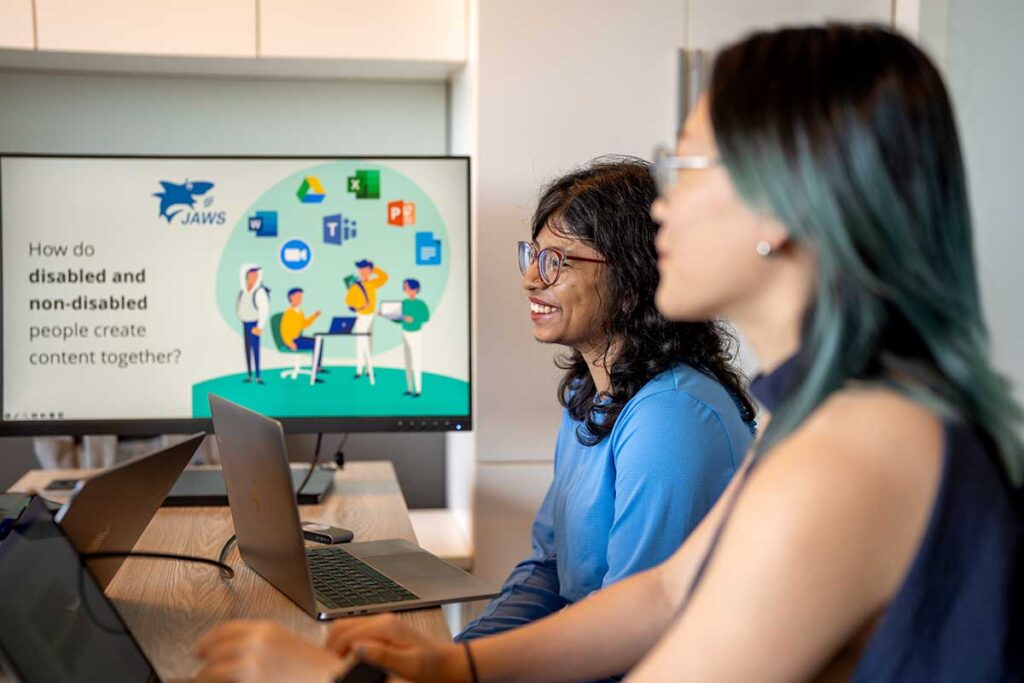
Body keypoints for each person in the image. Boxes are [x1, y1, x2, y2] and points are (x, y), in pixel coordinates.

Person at [193, 25, 1024, 682]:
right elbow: (664, 595)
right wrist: (454, 663)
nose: (664, 211)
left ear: (783, 200)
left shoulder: (853, 455)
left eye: (688, 166)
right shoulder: (823, 415)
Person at [194, 157, 761, 680]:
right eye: (531, 255)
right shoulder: (596, 395)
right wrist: (451, 658)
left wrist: (454, 673)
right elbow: (547, 568)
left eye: (556, 262)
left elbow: (632, 641)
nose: (530, 279)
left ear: (633, 280)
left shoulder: (673, 420)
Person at [345, 259, 389, 385]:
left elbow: (385, 277)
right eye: (361, 269)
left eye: (366, 270)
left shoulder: (373, 283)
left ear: (370, 271)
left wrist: (373, 268)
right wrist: (359, 307)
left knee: (369, 342)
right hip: (360, 316)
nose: (363, 272)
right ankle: (359, 370)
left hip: (371, 316)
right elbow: (348, 302)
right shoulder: (354, 286)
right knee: (360, 342)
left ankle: (368, 369)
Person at [393, 278, 430, 397]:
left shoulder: (420, 303)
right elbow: (398, 320)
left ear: (416, 289)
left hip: (416, 333)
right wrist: (386, 315)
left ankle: (418, 390)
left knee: (416, 362)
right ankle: (409, 388)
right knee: (407, 362)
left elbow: (425, 317)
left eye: (408, 287)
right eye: (405, 288)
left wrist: (414, 319)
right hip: (405, 333)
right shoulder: (403, 303)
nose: (406, 290)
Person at [235, 264, 269, 385]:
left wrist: (260, 326)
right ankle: (249, 375)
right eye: (250, 275)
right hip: (245, 323)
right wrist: (241, 317)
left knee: (256, 350)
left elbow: (264, 310)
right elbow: (239, 305)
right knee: (247, 349)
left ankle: (258, 376)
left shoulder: (259, 292)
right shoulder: (243, 291)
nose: (252, 277)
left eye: (255, 275)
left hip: (255, 324)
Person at [280, 287, 323, 369]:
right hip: (292, 341)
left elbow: (304, 325)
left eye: (301, 297)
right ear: (291, 297)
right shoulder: (288, 313)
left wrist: (314, 316)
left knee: (319, 341)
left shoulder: (299, 311)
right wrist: (289, 343)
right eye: (298, 297)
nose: (300, 299)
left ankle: (317, 367)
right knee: (316, 344)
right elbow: (283, 331)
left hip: (298, 338)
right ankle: (316, 368)